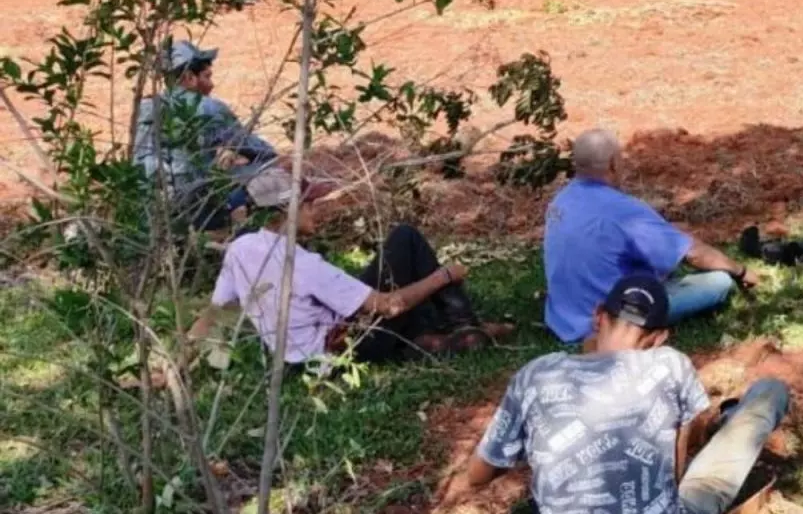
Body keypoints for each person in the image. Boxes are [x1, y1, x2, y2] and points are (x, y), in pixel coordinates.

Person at [441, 276, 790, 514]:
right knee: (770, 392)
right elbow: (675, 473)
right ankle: (738, 413)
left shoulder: (537, 375)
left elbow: (477, 475)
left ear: (598, 317)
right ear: (660, 336)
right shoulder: (670, 365)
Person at [202, 167, 500, 364]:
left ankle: (429, 338)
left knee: (391, 271)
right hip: (341, 349)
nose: (315, 211)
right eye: (309, 204)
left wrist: (179, 362)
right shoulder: (303, 265)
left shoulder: (239, 250)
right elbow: (388, 306)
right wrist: (444, 276)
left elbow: (216, 311)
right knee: (405, 238)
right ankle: (465, 326)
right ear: (286, 210)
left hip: (295, 357)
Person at [541, 129, 759, 345]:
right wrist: (741, 271)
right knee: (719, 282)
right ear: (613, 165)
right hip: (612, 321)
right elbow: (693, 254)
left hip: (562, 317)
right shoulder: (624, 211)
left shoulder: (560, 201)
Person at [132, 40, 278, 230]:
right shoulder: (209, 107)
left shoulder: (147, 107)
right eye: (207, 76)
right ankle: (244, 230)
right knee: (268, 170)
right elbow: (257, 149)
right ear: (189, 77)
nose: (211, 84)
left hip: (149, 207)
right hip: (193, 205)